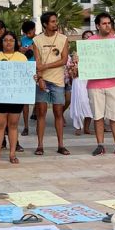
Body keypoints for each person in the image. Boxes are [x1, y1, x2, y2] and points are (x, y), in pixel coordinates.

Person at [79, 13, 115, 155]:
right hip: (95, 85)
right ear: (97, 26)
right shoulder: (89, 42)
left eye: (109, 23)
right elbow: (83, 62)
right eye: (104, 23)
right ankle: (100, 145)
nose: (107, 26)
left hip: (114, 83)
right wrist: (78, 58)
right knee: (98, 116)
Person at [33, 11, 70, 155]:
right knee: (41, 113)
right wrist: (40, 79)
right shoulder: (37, 40)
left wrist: (46, 66)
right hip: (43, 81)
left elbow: (64, 60)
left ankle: (61, 145)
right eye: (53, 21)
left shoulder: (63, 38)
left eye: (56, 21)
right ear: (45, 24)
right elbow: (37, 62)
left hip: (58, 81)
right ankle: (40, 145)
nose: (56, 24)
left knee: (58, 112)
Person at [0, 31, 29, 164]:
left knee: (13, 125)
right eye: (5, 40)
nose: (8, 42)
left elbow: (26, 76)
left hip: (16, 97)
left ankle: (12, 154)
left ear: (15, 42)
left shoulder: (21, 57)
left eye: (11, 40)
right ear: (1, 42)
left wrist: (33, 77)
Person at [68, 29, 94, 136]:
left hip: (92, 80)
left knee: (90, 104)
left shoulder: (97, 53)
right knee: (80, 102)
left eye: (90, 37)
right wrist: (74, 66)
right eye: (86, 37)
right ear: (82, 39)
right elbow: (72, 71)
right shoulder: (76, 54)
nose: (88, 38)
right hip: (79, 80)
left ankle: (87, 128)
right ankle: (78, 127)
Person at [19, 19, 37, 134]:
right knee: (25, 101)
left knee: (39, 99)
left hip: (37, 71)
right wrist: (22, 50)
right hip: (25, 71)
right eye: (27, 33)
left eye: (32, 31)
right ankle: (26, 127)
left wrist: (33, 48)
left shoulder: (39, 39)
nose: (30, 34)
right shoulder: (22, 40)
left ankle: (38, 124)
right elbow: (19, 53)